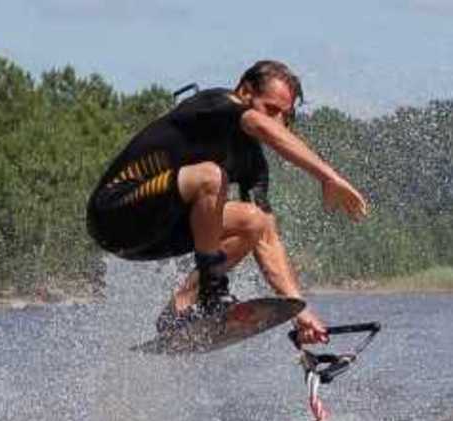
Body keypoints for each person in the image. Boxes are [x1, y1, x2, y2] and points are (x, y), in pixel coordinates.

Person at [86, 60, 368, 344]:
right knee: (210, 176)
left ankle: (180, 309)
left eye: (286, 116)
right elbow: (259, 125)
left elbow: (267, 241)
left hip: (155, 234)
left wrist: (299, 310)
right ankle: (213, 291)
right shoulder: (215, 103)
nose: (278, 122)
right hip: (114, 215)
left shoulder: (251, 164)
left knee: (256, 222)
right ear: (245, 93)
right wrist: (328, 177)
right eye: (271, 109)